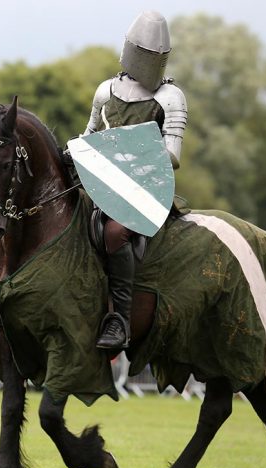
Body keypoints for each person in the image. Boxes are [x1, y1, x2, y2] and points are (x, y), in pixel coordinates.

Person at [83, 11, 188, 350]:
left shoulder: (170, 97)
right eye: (144, 52)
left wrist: (128, 149)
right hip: (103, 183)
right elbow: (90, 135)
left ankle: (120, 322)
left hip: (143, 188)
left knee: (114, 231)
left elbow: (172, 156)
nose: (147, 60)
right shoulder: (106, 90)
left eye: (154, 56)